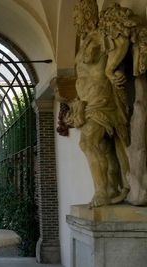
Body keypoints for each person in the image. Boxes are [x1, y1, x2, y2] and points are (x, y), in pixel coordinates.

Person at [70, 1, 137, 207]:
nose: (74, 20)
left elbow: (122, 41)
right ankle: (113, 187)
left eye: (77, 15)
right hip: (88, 100)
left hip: (101, 98)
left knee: (88, 142)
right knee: (105, 147)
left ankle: (102, 193)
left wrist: (110, 69)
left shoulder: (100, 34)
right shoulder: (86, 40)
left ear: (86, 14)